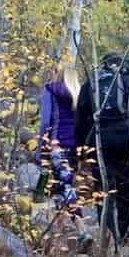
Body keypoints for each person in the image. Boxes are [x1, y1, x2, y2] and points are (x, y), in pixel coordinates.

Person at [74, 53, 129, 245]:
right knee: (125, 188)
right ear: (123, 66)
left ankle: (107, 237)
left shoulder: (91, 85)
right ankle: (125, 237)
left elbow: (80, 122)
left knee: (103, 190)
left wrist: (80, 152)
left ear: (103, 66)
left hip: (100, 140)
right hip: (128, 142)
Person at [38, 65, 80, 208]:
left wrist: (40, 149)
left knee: (64, 188)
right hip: (75, 147)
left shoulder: (51, 90)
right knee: (60, 186)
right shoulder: (79, 95)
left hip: (56, 144)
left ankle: (82, 229)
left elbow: (45, 122)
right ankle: (59, 227)